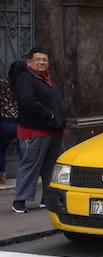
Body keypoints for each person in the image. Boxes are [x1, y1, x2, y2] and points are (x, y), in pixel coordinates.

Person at [12, 47, 68, 214]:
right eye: (38, 59)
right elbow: (27, 100)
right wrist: (49, 114)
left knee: (50, 168)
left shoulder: (46, 78)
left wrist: (62, 113)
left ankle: (47, 198)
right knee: (30, 166)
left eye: (45, 60)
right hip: (35, 131)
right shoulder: (25, 79)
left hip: (53, 130)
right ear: (29, 62)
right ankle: (19, 202)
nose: (42, 62)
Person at [0, 62, 23, 185]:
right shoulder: (23, 86)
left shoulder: (3, 84)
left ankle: (1, 176)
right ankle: (25, 176)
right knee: (24, 152)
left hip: (5, 123)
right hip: (20, 124)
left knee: (1, 150)